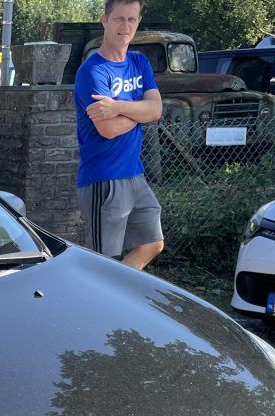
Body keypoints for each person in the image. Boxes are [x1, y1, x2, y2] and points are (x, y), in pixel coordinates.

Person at [74, 0, 165, 270]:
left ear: (138, 22)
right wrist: (140, 111)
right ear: (105, 20)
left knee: (153, 243)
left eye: (131, 19)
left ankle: (115, 289)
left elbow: (157, 110)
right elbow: (109, 129)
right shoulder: (92, 71)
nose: (125, 26)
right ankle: (96, 297)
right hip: (104, 179)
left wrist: (117, 107)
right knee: (102, 263)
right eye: (119, 19)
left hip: (135, 175)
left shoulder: (139, 62)